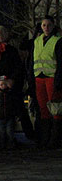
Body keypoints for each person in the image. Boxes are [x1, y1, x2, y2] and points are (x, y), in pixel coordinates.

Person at [32, 16, 62, 148]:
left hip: (52, 77)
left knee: (55, 109)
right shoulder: (37, 41)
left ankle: (55, 139)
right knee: (43, 108)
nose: (46, 28)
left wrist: (59, 79)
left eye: (49, 25)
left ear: (53, 26)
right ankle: (45, 138)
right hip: (39, 77)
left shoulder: (58, 41)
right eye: (44, 25)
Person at [0, 76, 21, 149]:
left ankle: (10, 144)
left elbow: (14, 104)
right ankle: (2, 144)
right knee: (2, 132)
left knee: (9, 131)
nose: (3, 86)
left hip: (9, 116)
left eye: (5, 84)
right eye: (1, 84)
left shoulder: (10, 95)